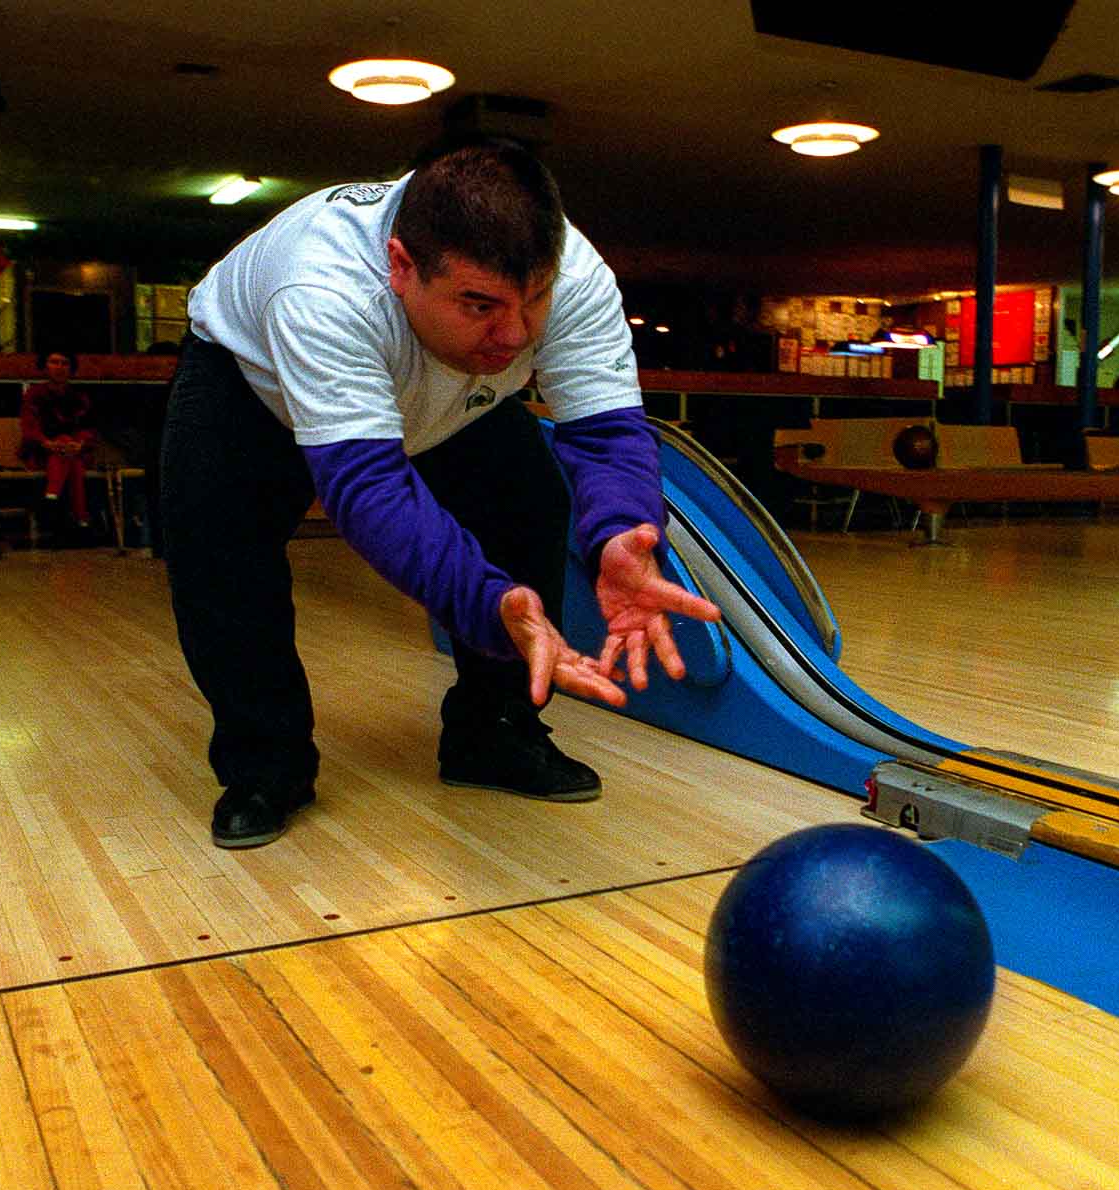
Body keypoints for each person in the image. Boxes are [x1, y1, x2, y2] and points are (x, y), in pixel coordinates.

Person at [163, 138, 721, 848]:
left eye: (535, 300)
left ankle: (492, 734)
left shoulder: (574, 273)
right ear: (401, 266)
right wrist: (485, 601)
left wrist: (623, 532)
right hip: (249, 385)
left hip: (453, 395)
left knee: (528, 500)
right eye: (481, 304)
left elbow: (607, 432)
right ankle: (265, 766)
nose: (515, 335)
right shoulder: (321, 286)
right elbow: (368, 488)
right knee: (221, 555)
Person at [18, 350, 98, 538]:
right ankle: (82, 519)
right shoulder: (34, 394)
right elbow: (29, 426)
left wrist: (80, 443)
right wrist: (47, 443)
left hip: (71, 451)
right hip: (40, 451)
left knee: (69, 453)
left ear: (71, 368)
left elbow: (88, 428)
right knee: (70, 457)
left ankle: (51, 497)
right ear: (45, 366)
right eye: (54, 362)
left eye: (64, 363)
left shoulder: (79, 397)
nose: (59, 367)